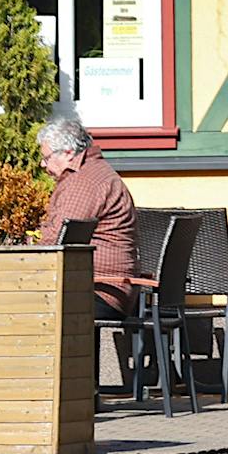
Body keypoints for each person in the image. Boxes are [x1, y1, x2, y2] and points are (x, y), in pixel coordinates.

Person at [36, 113, 138, 319]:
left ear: (68, 152)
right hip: (105, 286)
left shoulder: (84, 183)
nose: (43, 165)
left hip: (101, 290)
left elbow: (59, 240)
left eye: (46, 158)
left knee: (16, 303)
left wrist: (25, 249)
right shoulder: (95, 172)